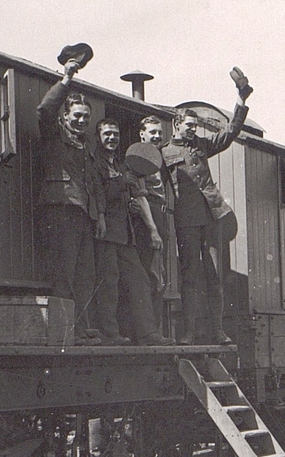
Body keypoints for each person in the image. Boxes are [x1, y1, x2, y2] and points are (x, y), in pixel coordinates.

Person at [161, 67, 252, 345]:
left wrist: (241, 101)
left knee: (215, 276)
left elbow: (230, 132)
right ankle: (188, 332)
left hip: (212, 218)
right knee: (190, 277)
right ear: (177, 125)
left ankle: (217, 331)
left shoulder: (202, 145)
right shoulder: (164, 153)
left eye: (194, 125)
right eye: (188, 125)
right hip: (186, 222)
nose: (192, 129)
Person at [36, 52, 104, 346]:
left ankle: (81, 328)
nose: (81, 121)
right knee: (63, 273)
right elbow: (43, 110)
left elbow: (93, 184)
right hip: (60, 209)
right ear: (65, 117)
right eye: (77, 116)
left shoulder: (86, 146)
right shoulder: (53, 135)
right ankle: (66, 331)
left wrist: (99, 215)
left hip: (84, 215)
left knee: (85, 275)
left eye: (86, 118)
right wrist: (66, 79)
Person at [93, 118, 175, 346]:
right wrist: (121, 185)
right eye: (107, 133)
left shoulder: (120, 165)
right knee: (109, 282)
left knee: (140, 280)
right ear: (98, 137)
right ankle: (110, 334)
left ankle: (148, 333)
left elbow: (136, 194)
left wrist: (144, 220)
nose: (112, 138)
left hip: (125, 233)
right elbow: (99, 194)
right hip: (106, 232)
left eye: (115, 134)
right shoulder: (95, 163)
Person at [130, 116, 172, 335]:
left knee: (159, 277)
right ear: (142, 134)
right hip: (149, 219)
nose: (156, 136)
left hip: (161, 216)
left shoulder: (157, 158)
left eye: (159, 133)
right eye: (152, 132)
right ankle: (149, 332)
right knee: (151, 275)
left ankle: (154, 331)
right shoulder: (139, 158)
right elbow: (140, 196)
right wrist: (153, 229)